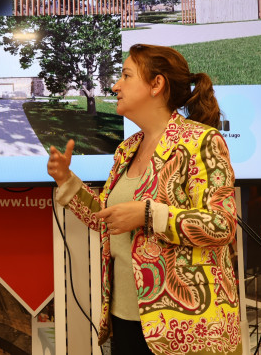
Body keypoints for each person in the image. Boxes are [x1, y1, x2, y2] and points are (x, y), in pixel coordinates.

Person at [47, 44, 241, 354]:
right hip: (124, 318)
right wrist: (66, 181)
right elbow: (111, 221)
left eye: (125, 75)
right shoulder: (127, 149)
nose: (115, 86)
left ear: (156, 84)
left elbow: (221, 225)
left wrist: (150, 214)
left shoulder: (202, 141)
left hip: (185, 328)